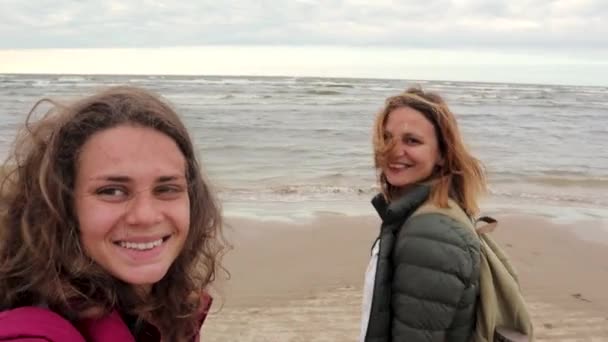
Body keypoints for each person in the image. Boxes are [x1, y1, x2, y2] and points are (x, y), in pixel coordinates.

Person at [0, 86, 226, 341]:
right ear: (61, 205)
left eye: (167, 188)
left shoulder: (163, 312)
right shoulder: (34, 333)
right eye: (112, 191)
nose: (145, 216)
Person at [360, 86, 485, 342]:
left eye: (412, 140)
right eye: (387, 138)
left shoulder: (430, 233)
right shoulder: (430, 211)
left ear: (441, 154)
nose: (393, 150)